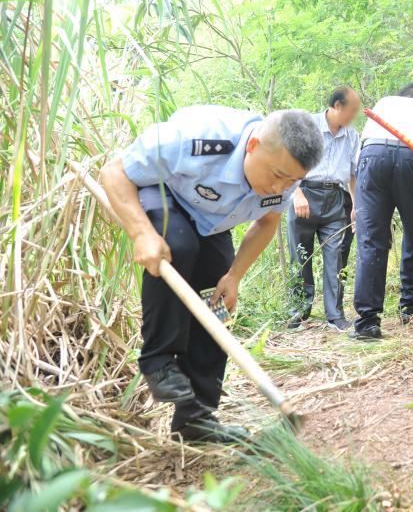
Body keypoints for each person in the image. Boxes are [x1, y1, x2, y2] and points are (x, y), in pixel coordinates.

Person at [100, 105, 322, 443]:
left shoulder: (285, 178)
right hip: (164, 194)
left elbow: (268, 221)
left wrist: (234, 275)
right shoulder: (197, 138)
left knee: (215, 300)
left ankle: (197, 419)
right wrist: (142, 233)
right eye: (277, 175)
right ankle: (158, 360)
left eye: (291, 181)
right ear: (253, 146)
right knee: (178, 245)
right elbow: (114, 172)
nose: (281, 187)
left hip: (212, 222)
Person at [351, 83, 413, 339]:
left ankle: (368, 321)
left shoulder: (384, 103)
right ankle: (409, 308)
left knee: (371, 240)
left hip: (372, 155)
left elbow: (361, 154)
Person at [286, 86, 361, 332]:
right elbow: (288, 163)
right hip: (305, 193)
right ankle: (299, 311)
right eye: (352, 111)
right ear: (337, 106)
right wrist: (296, 193)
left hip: (336, 199)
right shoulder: (308, 127)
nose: (354, 116)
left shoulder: (352, 136)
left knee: (336, 257)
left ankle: (335, 315)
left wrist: (355, 206)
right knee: (300, 255)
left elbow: (352, 174)